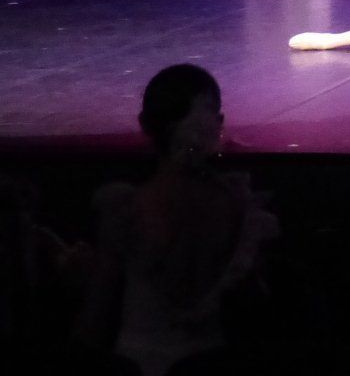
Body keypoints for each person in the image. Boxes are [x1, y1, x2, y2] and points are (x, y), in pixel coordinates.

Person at [81, 65, 278, 376]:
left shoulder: (127, 209)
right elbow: (257, 308)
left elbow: (97, 314)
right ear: (217, 125)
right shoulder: (237, 207)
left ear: (146, 125)